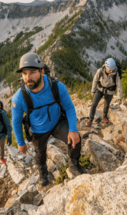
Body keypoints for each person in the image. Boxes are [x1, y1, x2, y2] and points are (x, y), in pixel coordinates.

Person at [11, 53, 84, 186]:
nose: (28, 78)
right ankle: (43, 172)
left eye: (32, 72)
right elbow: (16, 122)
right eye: (24, 74)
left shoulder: (56, 87)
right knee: (40, 154)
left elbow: (69, 107)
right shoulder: (19, 98)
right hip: (37, 130)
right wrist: (20, 142)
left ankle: (74, 165)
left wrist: (73, 129)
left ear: (42, 71)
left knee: (75, 140)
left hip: (57, 122)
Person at [86, 58, 122, 126]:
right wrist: (93, 90)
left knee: (106, 105)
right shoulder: (100, 71)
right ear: (105, 67)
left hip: (110, 91)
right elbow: (95, 80)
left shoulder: (116, 74)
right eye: (109, 69)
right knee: (94, 104)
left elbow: (119, 86)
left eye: (112, 69)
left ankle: (104, 117)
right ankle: (90, 119)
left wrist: (119, 97)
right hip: (100, 89)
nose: (111, 71)